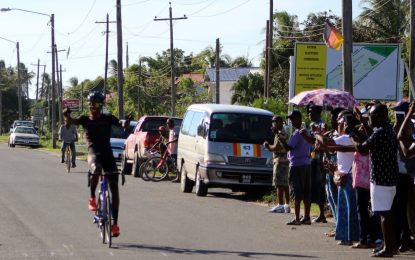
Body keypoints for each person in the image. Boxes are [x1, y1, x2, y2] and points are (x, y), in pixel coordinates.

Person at [63, 91, 132, 238]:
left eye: (94, 104)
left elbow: (121, 124)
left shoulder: (107, 118)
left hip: (107, 154)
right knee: (96, 168)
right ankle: (92, 198)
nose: (91, 106)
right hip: (94, 153)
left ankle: (115, 224)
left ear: (100, 105)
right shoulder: (85, 119)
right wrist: (66, 116)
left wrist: (126, 122)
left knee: (114, 185)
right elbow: (71, 122)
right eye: (90, 104)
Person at [351, 104, 399, 257]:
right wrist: (363, 123)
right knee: (387, 214)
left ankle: (388, 249)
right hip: (389, 178)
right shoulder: (387, 130)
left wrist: (352, 135)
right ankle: (390, 245)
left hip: (381, 179)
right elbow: (372, 135)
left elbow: (363, 148)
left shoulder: (380, 133)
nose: (368, 118)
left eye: (370, 116)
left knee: (384, 214)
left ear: (379, 117)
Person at [279, 110, 312, 225]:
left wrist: (281, 139)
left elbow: (288, 147)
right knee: (306, 192)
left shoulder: (298, 133)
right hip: (306, 164)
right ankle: (306, 217)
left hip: (297, 165)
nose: (291, 121)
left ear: (298, 119)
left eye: (293, 119)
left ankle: (297, 218)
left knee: (297, 192)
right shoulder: (306, 131)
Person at [264, 115, 290, 213]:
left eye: (275, 122)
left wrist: (267, 146)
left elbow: (277, 147)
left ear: (280, 122)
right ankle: (287, 205)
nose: (273, 124)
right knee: (285, 184)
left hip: (280, 160)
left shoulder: (280, 133)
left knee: (279, 183)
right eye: (273, 122)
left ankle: (280, 205)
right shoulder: (281, 132)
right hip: (284, 160)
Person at [166, 118, 180, 182]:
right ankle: (166, 175)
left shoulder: (175, 129)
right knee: (168, 161)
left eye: (168, 123)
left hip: (175, 150)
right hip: (171, 150)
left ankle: (178, 177)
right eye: (167, 124)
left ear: (172, 123)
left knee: (176, 164)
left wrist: (170, 142)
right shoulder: (171, 130)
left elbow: (177, 138)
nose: (167, 125)